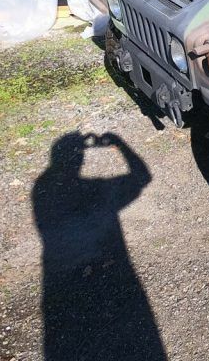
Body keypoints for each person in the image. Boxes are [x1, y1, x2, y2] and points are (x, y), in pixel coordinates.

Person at [32, 132, 165, 361]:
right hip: (113, 273)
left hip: (59, 284)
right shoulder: (93, 188)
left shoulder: (42, 186)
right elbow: (142, 177)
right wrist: (121, 143)